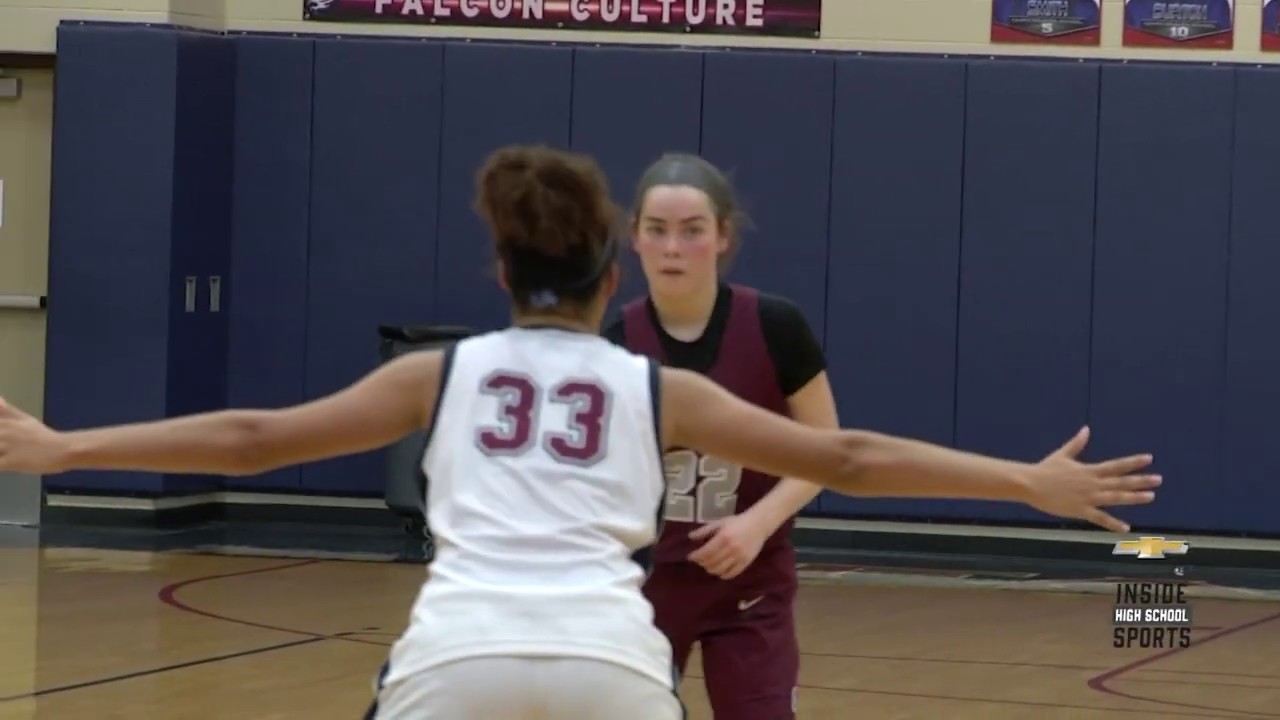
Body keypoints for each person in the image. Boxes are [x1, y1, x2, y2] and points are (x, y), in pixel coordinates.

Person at [0, 144, 1160, 720]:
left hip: (456, 659)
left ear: (500, 269)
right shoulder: (653, 387)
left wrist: (65, 449)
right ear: (616, 277)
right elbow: (850, 457)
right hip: (617, 664)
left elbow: (254, 437)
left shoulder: (439, 372)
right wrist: (1022, 482)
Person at [603, 152, 836, 719]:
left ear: (723, 236)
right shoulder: (615, 343)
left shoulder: (776, 326)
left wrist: (757, 524)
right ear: (634, 237)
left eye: (692, 231)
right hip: (645, 583)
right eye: (657, 231)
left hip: (751, 579)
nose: (673, 248)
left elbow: (825, 451)